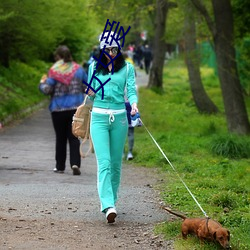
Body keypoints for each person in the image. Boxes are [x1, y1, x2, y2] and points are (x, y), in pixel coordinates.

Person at [86, 32, 138, 223]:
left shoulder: (127, 68)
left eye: (114, 49)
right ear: (102, 49)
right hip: (98, 118)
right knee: (105, 162)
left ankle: (112, 201)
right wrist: (88, 94)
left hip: (119, 119)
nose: (111, 52)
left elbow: (131, 90)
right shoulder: (93, 67)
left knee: (116, 164)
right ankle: (108, 205)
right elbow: (90, 95)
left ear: (119, 49)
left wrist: (134, 104)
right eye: (107, 49)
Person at [39, 45, 87, 175]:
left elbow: (47, 90)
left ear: (58, 57)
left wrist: (42, 83)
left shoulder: (54, 71)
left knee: (60, 138)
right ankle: (75, 163)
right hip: (75, 109)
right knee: (74, 137)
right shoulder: (79, 69)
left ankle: (60, 167)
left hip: (58, 109)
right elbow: (86, 87)